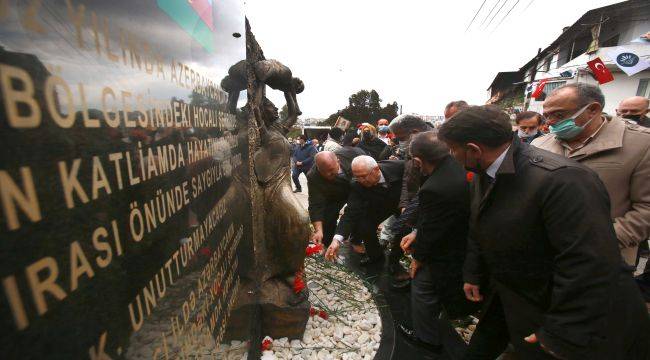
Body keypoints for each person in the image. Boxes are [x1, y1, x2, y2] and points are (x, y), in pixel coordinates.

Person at [438, 105, 650, 359]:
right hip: (513, 293)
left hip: (558, 307)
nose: (451, 156)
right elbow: (480, 223)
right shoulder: (485, 170)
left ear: (474, 149)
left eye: (453, 149)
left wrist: (563, 329)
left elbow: (589, 261)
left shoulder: (563, 181)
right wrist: (473, 271)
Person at [532, 84, 650, 267]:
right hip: (546, 256)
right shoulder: (540, 144)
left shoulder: (642, 144)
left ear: (593, 110)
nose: (550, 122)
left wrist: (604, 240)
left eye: (559, 115)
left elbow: (646, 208)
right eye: (547, 116)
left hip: (605, 258)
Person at [397, 131, 475, 353]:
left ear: (418, 160)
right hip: (462, 240)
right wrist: (416, 232)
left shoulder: (435, 187)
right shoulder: (458, 167)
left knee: (422, 288)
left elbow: (434, 229)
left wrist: (418, 257)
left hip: (448, 250)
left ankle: (426, 339)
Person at [324, 155, 405, 265]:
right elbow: (351, 212)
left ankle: (394, 262)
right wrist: (336, 240)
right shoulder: (356, 184)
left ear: (376, 169)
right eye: (357, 177)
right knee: (364, 225)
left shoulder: (399, 167)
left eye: (363, 176)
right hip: (381, 205)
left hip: (404, 203)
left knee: (405, 228)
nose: (361, 180)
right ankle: (376, 257)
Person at [307, 152, 357, 248]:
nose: (327, 174)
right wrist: (318, 230)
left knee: (358, 214)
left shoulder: (352, 156)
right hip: (335, 195)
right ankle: (327, 244)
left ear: (338, 161)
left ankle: (355, 240)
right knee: (327, 218)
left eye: (331, 170)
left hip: (356, 188)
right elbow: (315, 204)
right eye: (323, 171)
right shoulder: (313, 176)